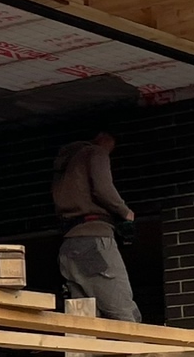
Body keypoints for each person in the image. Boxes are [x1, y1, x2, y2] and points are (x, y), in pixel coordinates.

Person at [52, 132, 141, 323]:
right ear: (103, 137)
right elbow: (103, 189)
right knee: (125, 315)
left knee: (83, 319)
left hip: (70, 247)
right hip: (94, 242)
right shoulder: (95, 152)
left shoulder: (65, 162)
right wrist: (125, 212)